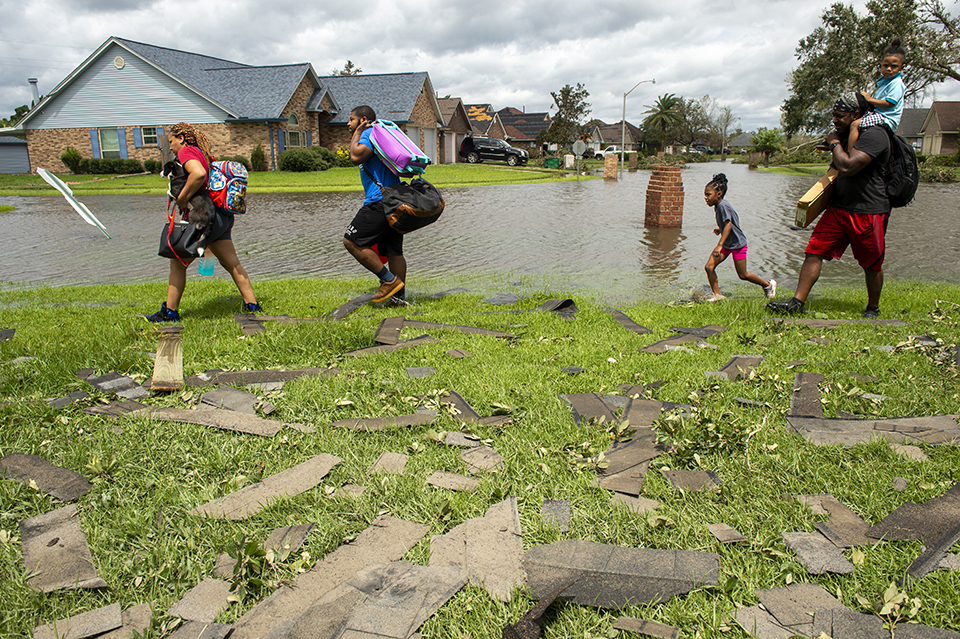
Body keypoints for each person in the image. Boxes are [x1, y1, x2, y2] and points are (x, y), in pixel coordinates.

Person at [768, 92, 891, 318]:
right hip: (839, 207)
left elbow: (848, 166)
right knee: (813, 251)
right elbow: (835, 171)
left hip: (868, 210)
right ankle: (797, 303)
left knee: (871, 262)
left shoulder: (876, 135)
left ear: (856, 114)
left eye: (840, 116)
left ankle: (873, 308)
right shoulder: (845, 137)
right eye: (833, 115)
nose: (834, 120)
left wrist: (834, 142)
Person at [145, 122, 260, 322]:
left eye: (171, 141)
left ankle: (170, 312)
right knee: (232, 264)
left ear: (181, 138)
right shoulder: (201, 153)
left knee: (178, 264)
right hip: (221, 217)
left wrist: (181, 198)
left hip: (203, 217)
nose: (170, 147)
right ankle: (252, 305)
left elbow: (198, 174)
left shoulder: (186, 152)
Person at [343, 105, 408, 305]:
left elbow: (355, 157)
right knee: (393, 250)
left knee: (352, 241)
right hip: (395, 199)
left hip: (378, 201)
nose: (348, 124)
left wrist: (359, 131)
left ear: (362, 119)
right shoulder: (382, 133)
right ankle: (398, 298)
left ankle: (388, 281)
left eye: (351, 120)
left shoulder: (369, 134)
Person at [702, 173, 776, 302]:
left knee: (743, 275)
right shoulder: (719, 206)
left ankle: (768, 285)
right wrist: (720, 228)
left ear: (719, 194)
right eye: (705, 194)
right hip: (727, 244)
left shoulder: (722, 206)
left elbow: (729, 225)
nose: (705, 198)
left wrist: (719, 245)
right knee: (709, 267)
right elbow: (730, 221)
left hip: (737, 244)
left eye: (708, 194)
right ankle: (718, 295)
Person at [847, 39, 907, 148]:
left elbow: (889, 103)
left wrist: (869, 99)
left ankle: (850, 154)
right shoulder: (884, 81)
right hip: (877, 113)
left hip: (886, 117)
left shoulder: (896, 83)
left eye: (894, 66)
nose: (889, 69)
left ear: (902, 67)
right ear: (881, 65)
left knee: (854, 125)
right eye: (885, 65)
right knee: (850, 117)